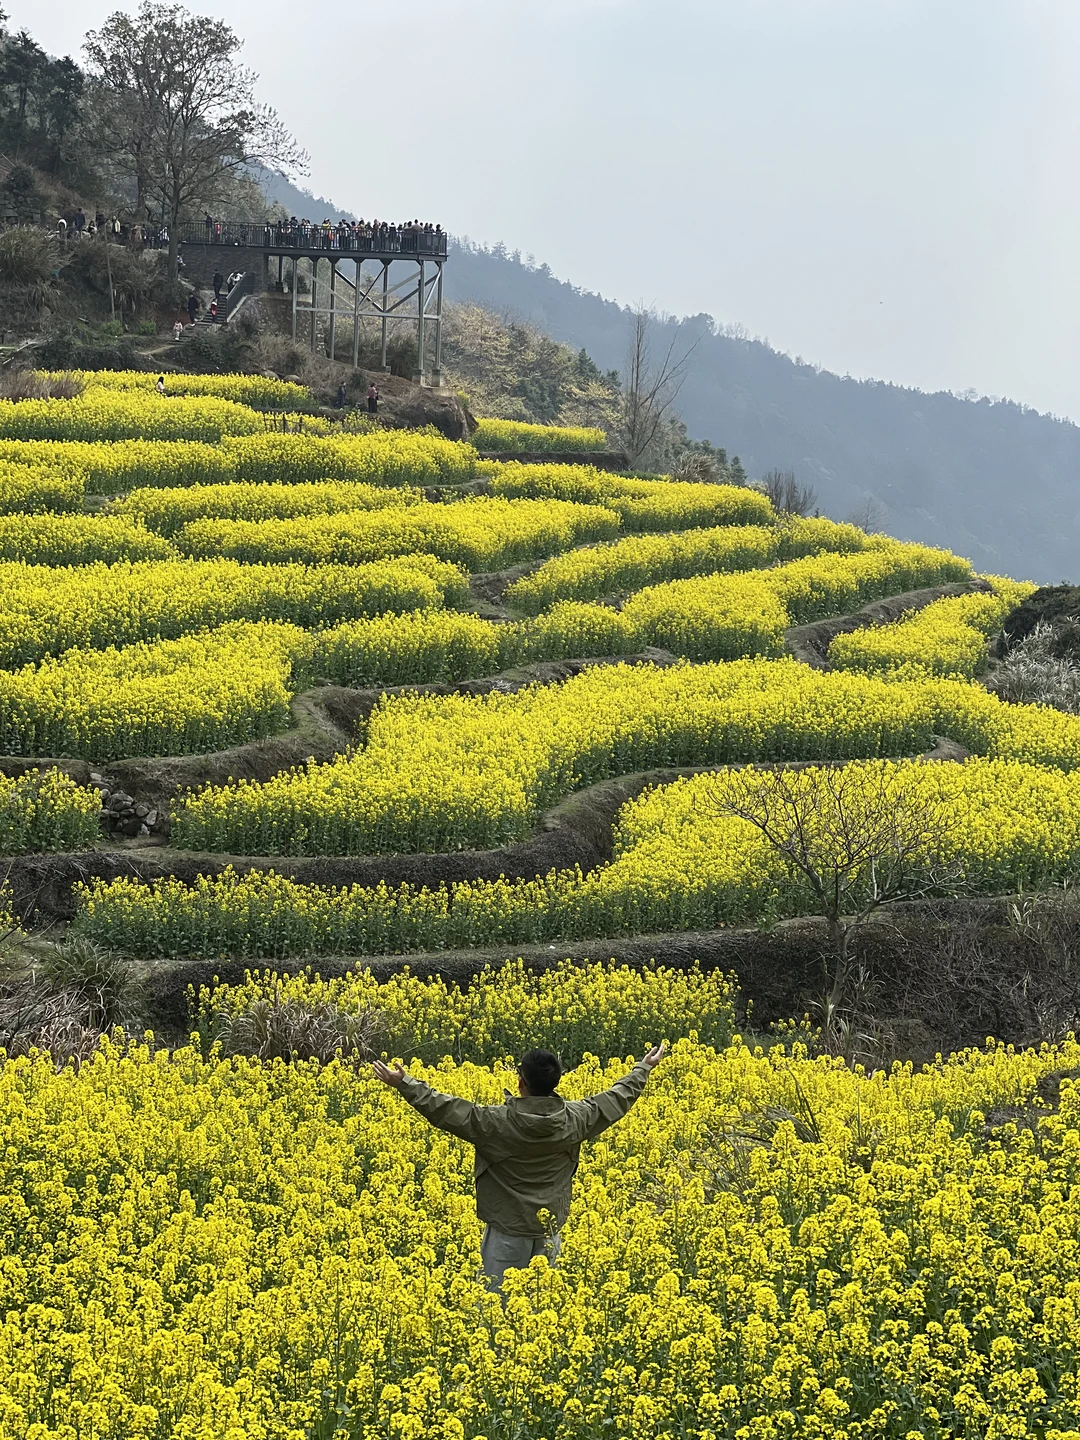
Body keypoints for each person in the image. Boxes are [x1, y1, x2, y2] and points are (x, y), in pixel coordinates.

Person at [372, 1042, 665, 1289]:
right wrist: (643, 1069)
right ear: (556, 1081)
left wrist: (404, 1083)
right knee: (540, 1308)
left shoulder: (494, 1123)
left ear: (520, 1082)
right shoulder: (577, 1118)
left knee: (497, 1307)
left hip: (507, 1232)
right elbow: (615, 1099)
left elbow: (444, 1109)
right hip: (549, 1231)